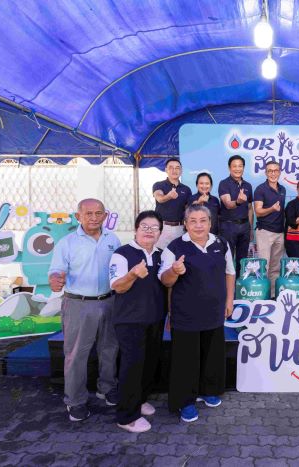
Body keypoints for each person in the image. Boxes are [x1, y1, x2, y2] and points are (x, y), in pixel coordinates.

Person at [159, 205, 236, 423]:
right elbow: (165, 281)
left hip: (214, 312)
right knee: (186, 360)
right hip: (186, 315)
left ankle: (209, 391)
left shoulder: (221, 243)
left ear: (210, 223)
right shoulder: (174, 247)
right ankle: (185, 401)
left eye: (203, 220)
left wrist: (229, 300)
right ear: (185, 224)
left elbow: (230, 273)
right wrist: (174, 271)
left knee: (211, 354)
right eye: (193, 221)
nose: (198, 225)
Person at [48, 198, 121, 422]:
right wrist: (55, 279)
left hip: (109, 301)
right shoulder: (67, 243)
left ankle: (107, 388)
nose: (94, 218)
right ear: (78, 216)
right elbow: (56, 271)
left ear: (105, 216)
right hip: (78, 304)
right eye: (88, 214)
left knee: (109, 349)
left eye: (98, 213)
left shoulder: (113, 239)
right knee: (76, 355)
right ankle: (75, 401)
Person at [109, 211, 166, 433]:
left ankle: (140, 401)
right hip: (129, 321)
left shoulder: (161, 255)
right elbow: (117, 286)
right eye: (144, 226)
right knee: (132, 367)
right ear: (136, 229)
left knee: (149, 363)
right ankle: (126, 416)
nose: (149, 231)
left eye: (154, 227)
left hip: (155, 318)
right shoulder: (122, 254)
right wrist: (132, 274)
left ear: (160, 233)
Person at [253, 160, 286, 296]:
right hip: (265, 232)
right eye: (270, 171)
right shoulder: (260, 189)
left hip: (279, 233)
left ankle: (272, 296)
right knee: (264, 267)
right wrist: (272, 209)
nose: (273, 173)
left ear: (279, 172)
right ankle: (262, 295)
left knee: (275, 267)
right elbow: (258, 211)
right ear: (266, 173)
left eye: (275, 170)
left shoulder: (282, 189)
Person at [218, 155, 254, 278]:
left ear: (243, 167)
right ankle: (226, 287)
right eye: (234, 166)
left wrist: (250, 228)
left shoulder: (248, 186)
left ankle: (240, 285)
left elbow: (250, 208)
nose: (237, 169)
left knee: (242, 261)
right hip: (228, 227)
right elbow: (228, 204)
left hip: (244, 227)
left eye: (240, 166)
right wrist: (238, 201)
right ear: (229, 168)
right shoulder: (224, 184)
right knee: (227, 259)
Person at [153, 158, 192, 249]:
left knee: (178, 254)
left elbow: (188, 209)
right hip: (162, 228)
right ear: (166, 170)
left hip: (180, 228)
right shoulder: (158, 185)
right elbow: (159, 198)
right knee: (160, 254)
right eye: (171, 167)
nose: (174, 170)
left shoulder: (186, 189)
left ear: (181, 171)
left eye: (177, 168)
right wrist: (169, 196)